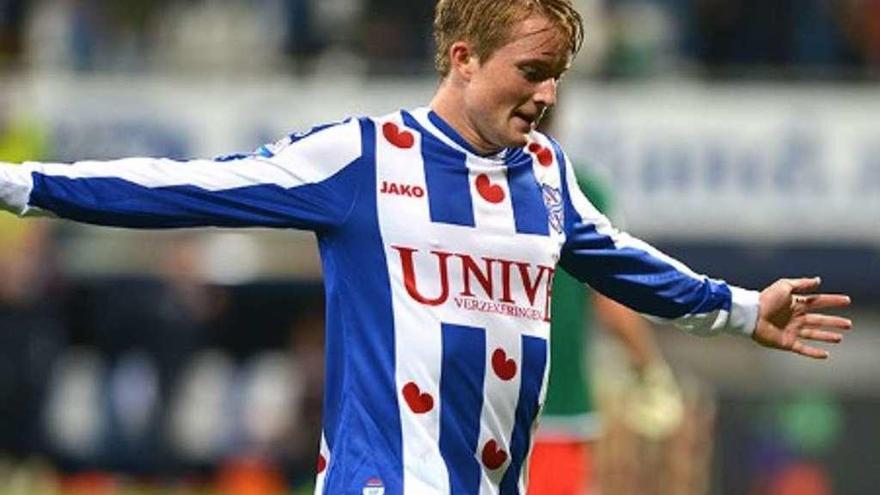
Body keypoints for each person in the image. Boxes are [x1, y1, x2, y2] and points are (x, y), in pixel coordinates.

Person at [0, 0, 851, 493]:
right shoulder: (364, 158)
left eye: (557, 75)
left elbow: (629, 263)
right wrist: (24, 183)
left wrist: (742, 308)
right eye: (530, 72)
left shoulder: (549, 175)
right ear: (462, 58)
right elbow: (188, 186)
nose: (548, 94)